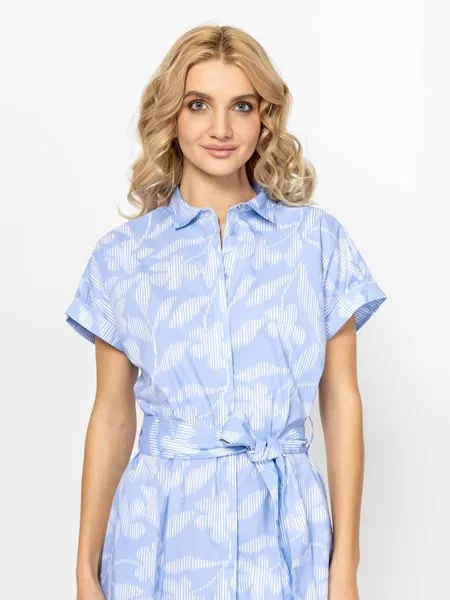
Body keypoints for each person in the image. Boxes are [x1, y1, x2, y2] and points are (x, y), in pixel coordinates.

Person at [66, 24, 387, 600]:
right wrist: (85, 572)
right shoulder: (123, 257)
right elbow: (112, 414)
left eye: (241, 106)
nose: (221, 128)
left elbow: (341, 402)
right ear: (171, 115)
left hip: (288, 535)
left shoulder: (316, 242)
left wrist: (346, 566)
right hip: (157, 538)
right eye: (198, 104)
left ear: (265, 118)